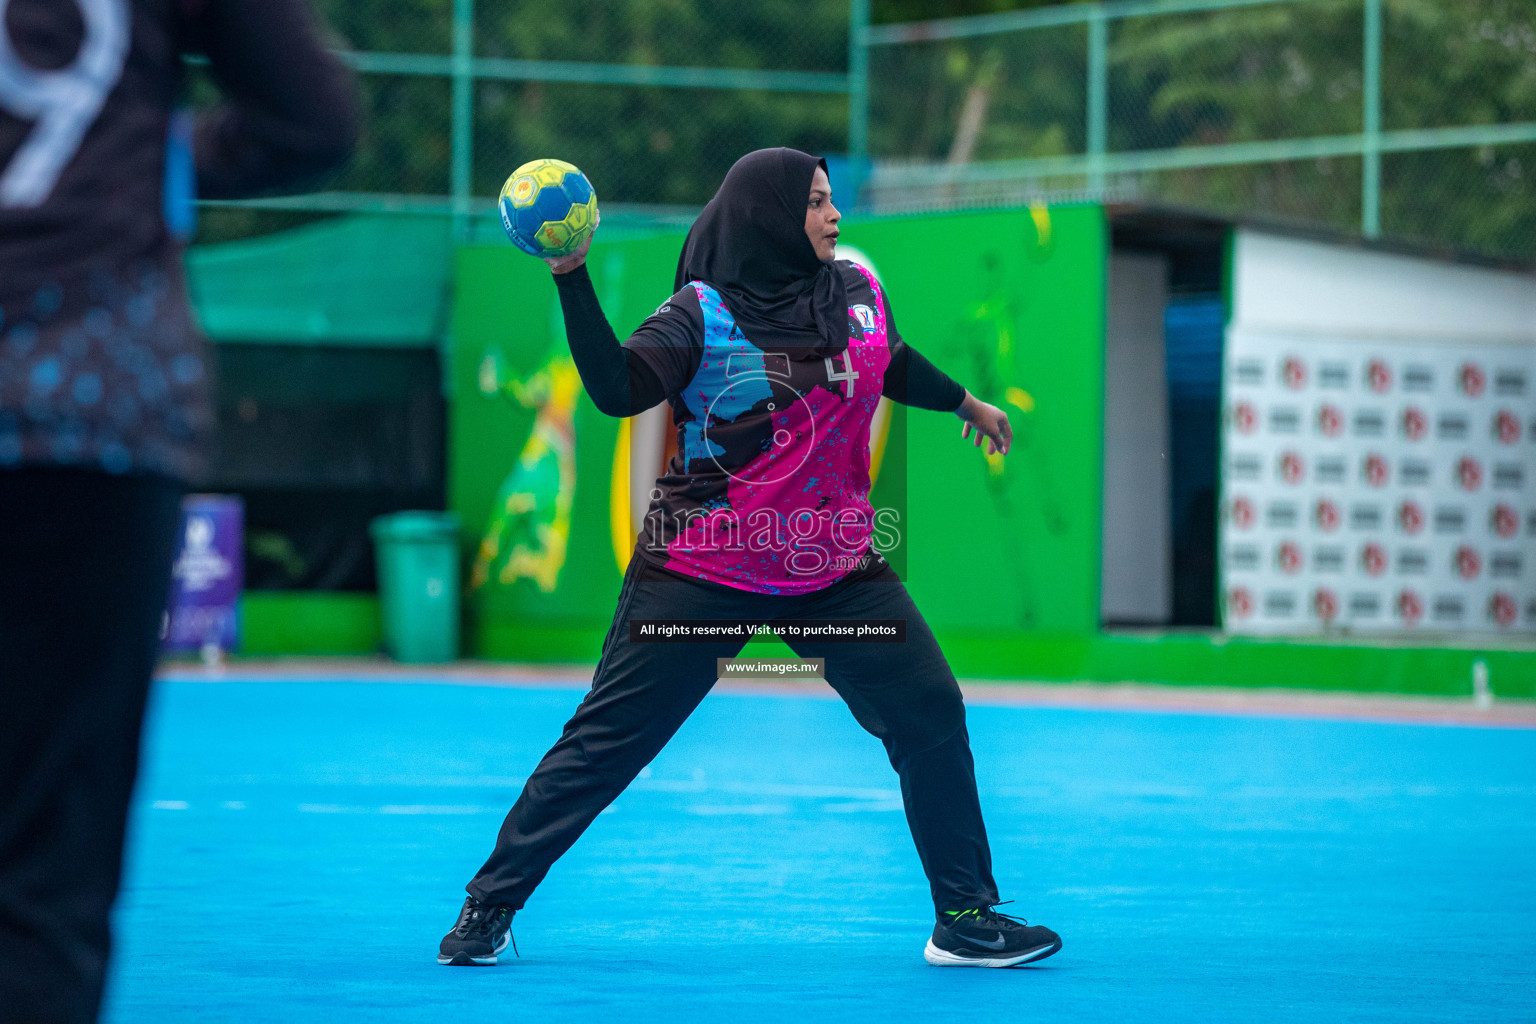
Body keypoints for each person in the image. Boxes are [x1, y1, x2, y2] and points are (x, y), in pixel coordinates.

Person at [439, 148, 1062, 969]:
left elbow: (890, 360)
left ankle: (967, 916)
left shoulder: (857, 293)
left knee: (931, 712)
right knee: (606, 744)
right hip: (702, 574)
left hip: (830, 568)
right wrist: (571, 277)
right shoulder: (700, 314)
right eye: (814, 203)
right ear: (769, 216)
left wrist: (967, 402)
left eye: (832, 200)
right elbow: (618, 390)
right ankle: (489, 906)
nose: (833, 216)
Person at [0, 2, 357, 1020]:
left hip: (89, 413)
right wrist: (148, 161)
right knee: (44, 879)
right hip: (87, 408)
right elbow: (310, 118)